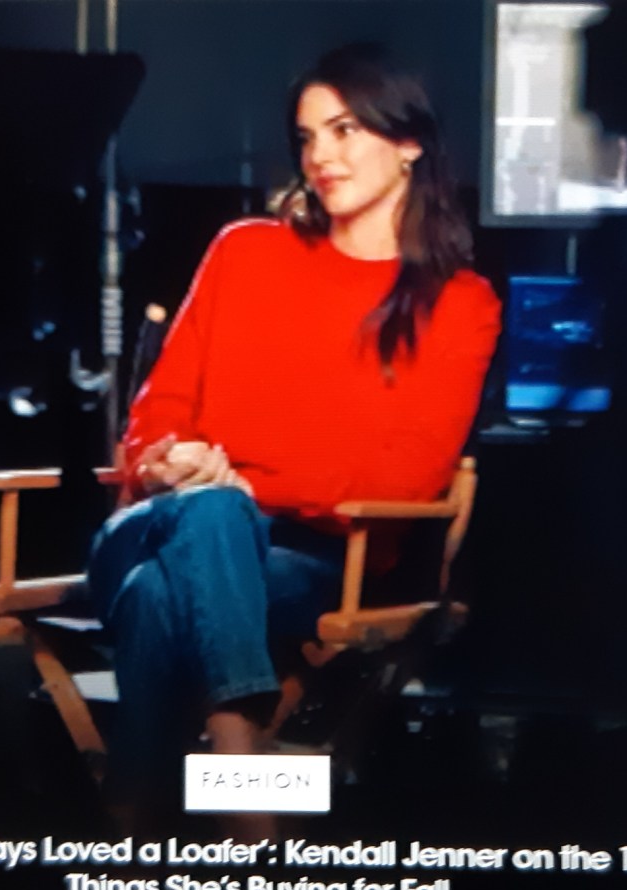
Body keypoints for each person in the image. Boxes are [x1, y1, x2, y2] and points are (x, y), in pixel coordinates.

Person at [87, 43, 501, 809]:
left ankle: (134, 822)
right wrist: (171, 459)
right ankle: (244, 780)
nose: (320, 157)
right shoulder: (244, 252)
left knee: (156, 593)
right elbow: (158, 411)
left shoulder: (459, 302)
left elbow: (408, 477)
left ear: (410, 143)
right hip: (158, 524)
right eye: (308, 137)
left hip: (316, 559)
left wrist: (245, 485)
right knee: (204, 515)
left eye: (344, 131)